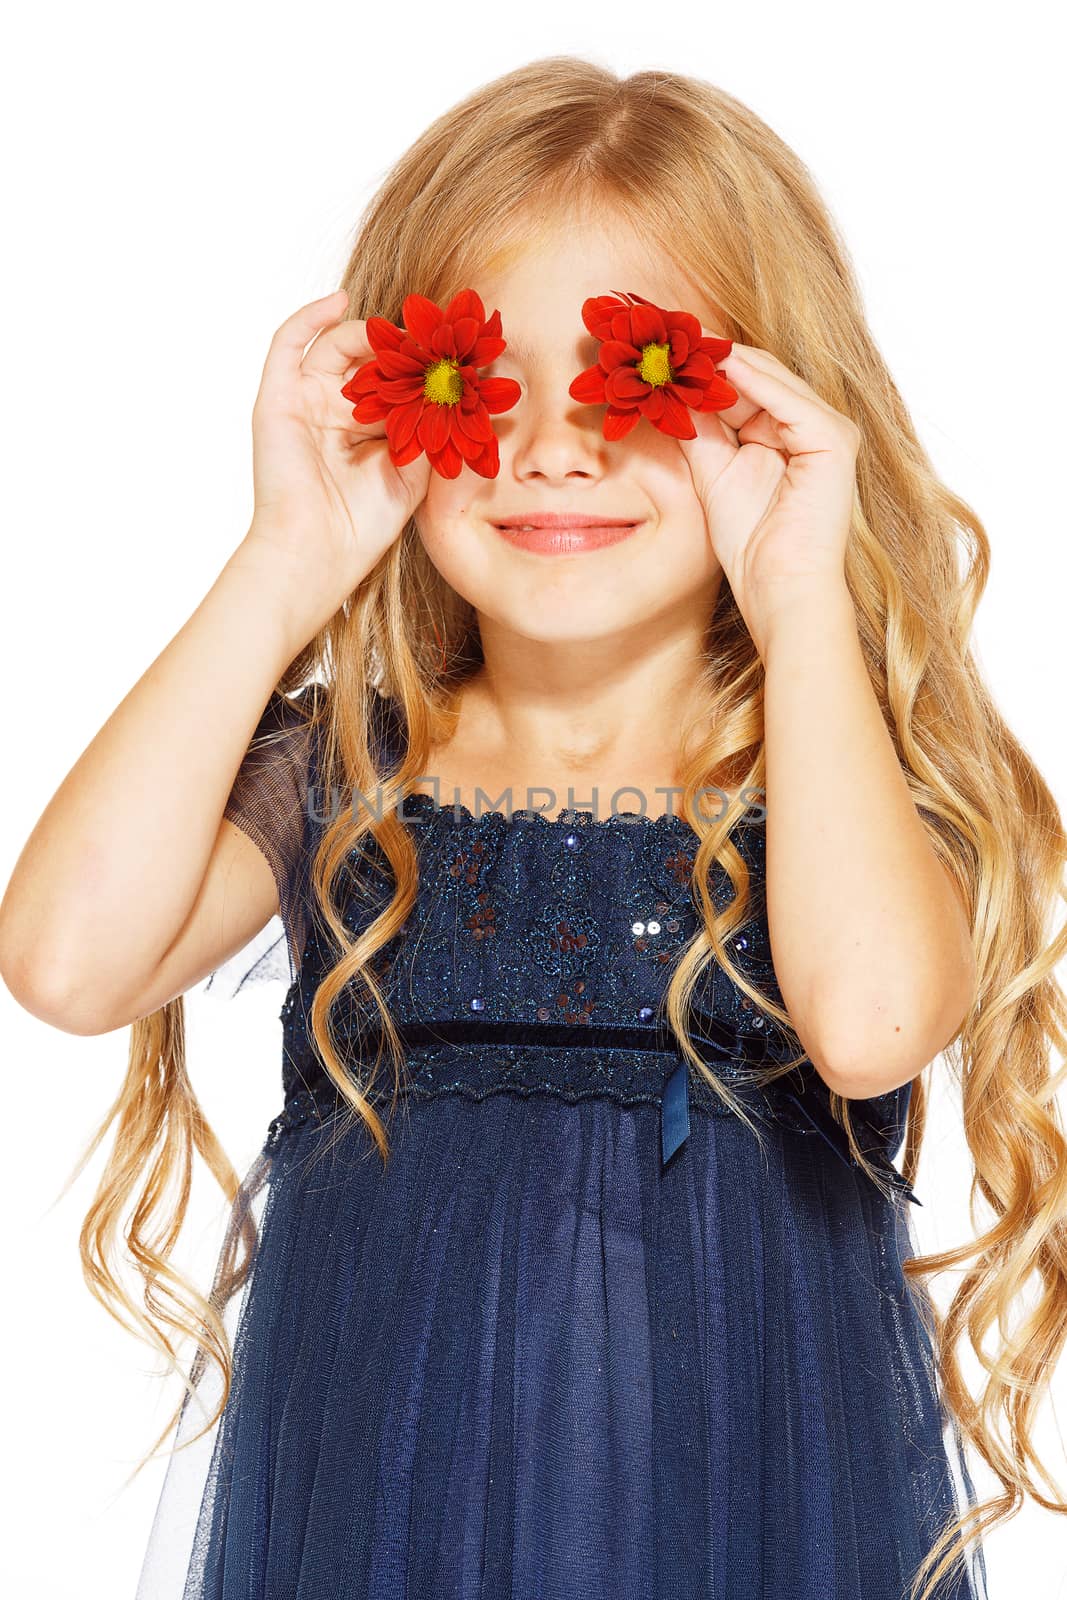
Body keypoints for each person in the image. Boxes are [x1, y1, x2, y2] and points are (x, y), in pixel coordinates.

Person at [2, 55, 1064, 1600]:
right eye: (479, 380)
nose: (554, 449)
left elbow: (875, 1024)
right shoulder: (347, 776)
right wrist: (289, 559)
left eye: (643, 386)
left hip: (751, 1538)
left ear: (773, 413)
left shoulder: (839, 782)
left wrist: (802, 604)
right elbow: (66, 962)